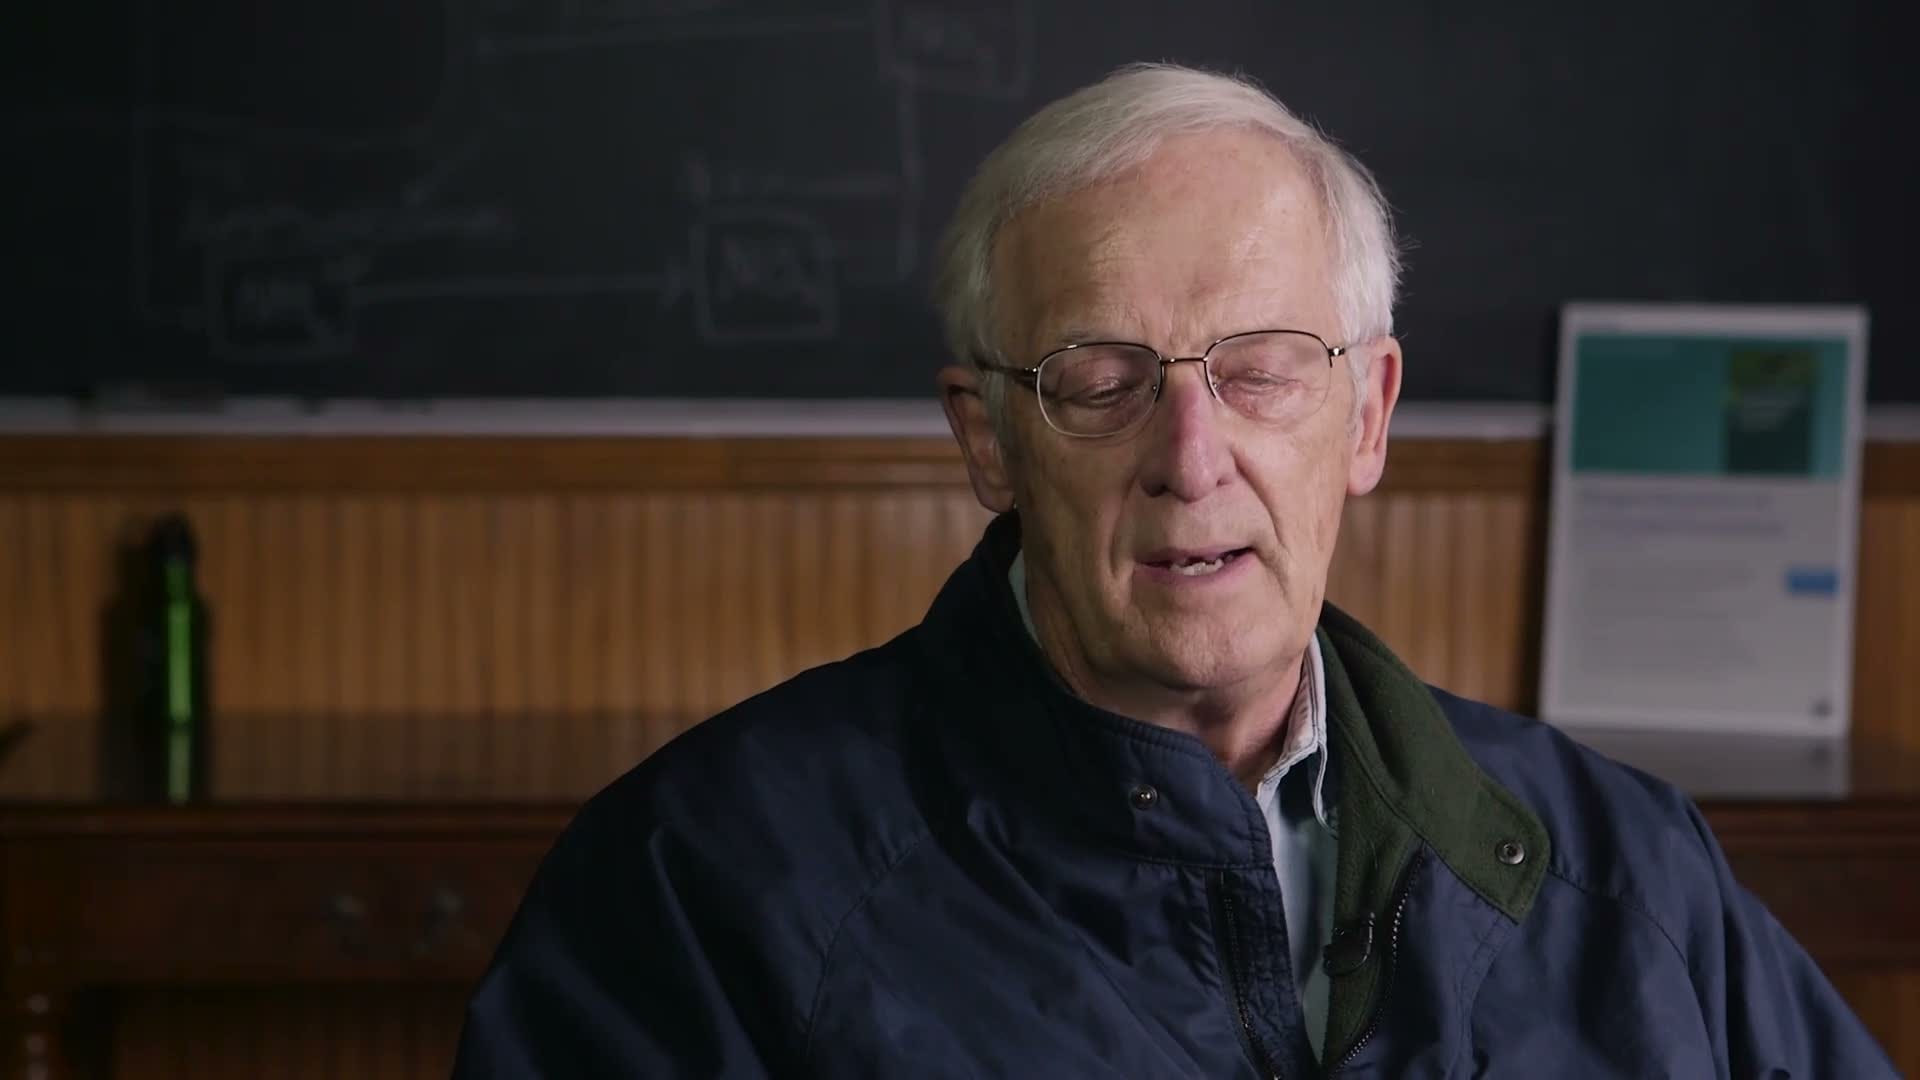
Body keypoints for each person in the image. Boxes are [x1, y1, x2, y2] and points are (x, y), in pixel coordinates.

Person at [454, 63, 1892, 1077]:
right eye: (1100, 381)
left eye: (1262, 371)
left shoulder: (1631, 877)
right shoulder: (703, 889)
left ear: (1369, 416)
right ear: (990, 439)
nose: (1192, 459)